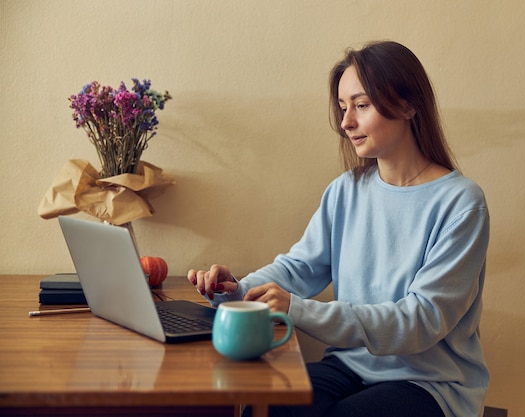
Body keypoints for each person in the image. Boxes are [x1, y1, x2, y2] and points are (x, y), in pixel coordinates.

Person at [188, 40, 490, 417]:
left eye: (361, 105)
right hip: (349, 365)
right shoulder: (346, 190)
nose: (347, 121)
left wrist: (298, 310)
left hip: (427, 383)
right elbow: (300, 267)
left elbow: (421, 321)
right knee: (267, 407)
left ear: (409, 105)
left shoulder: (461, 202)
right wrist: (239, 287)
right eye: (344, 107)